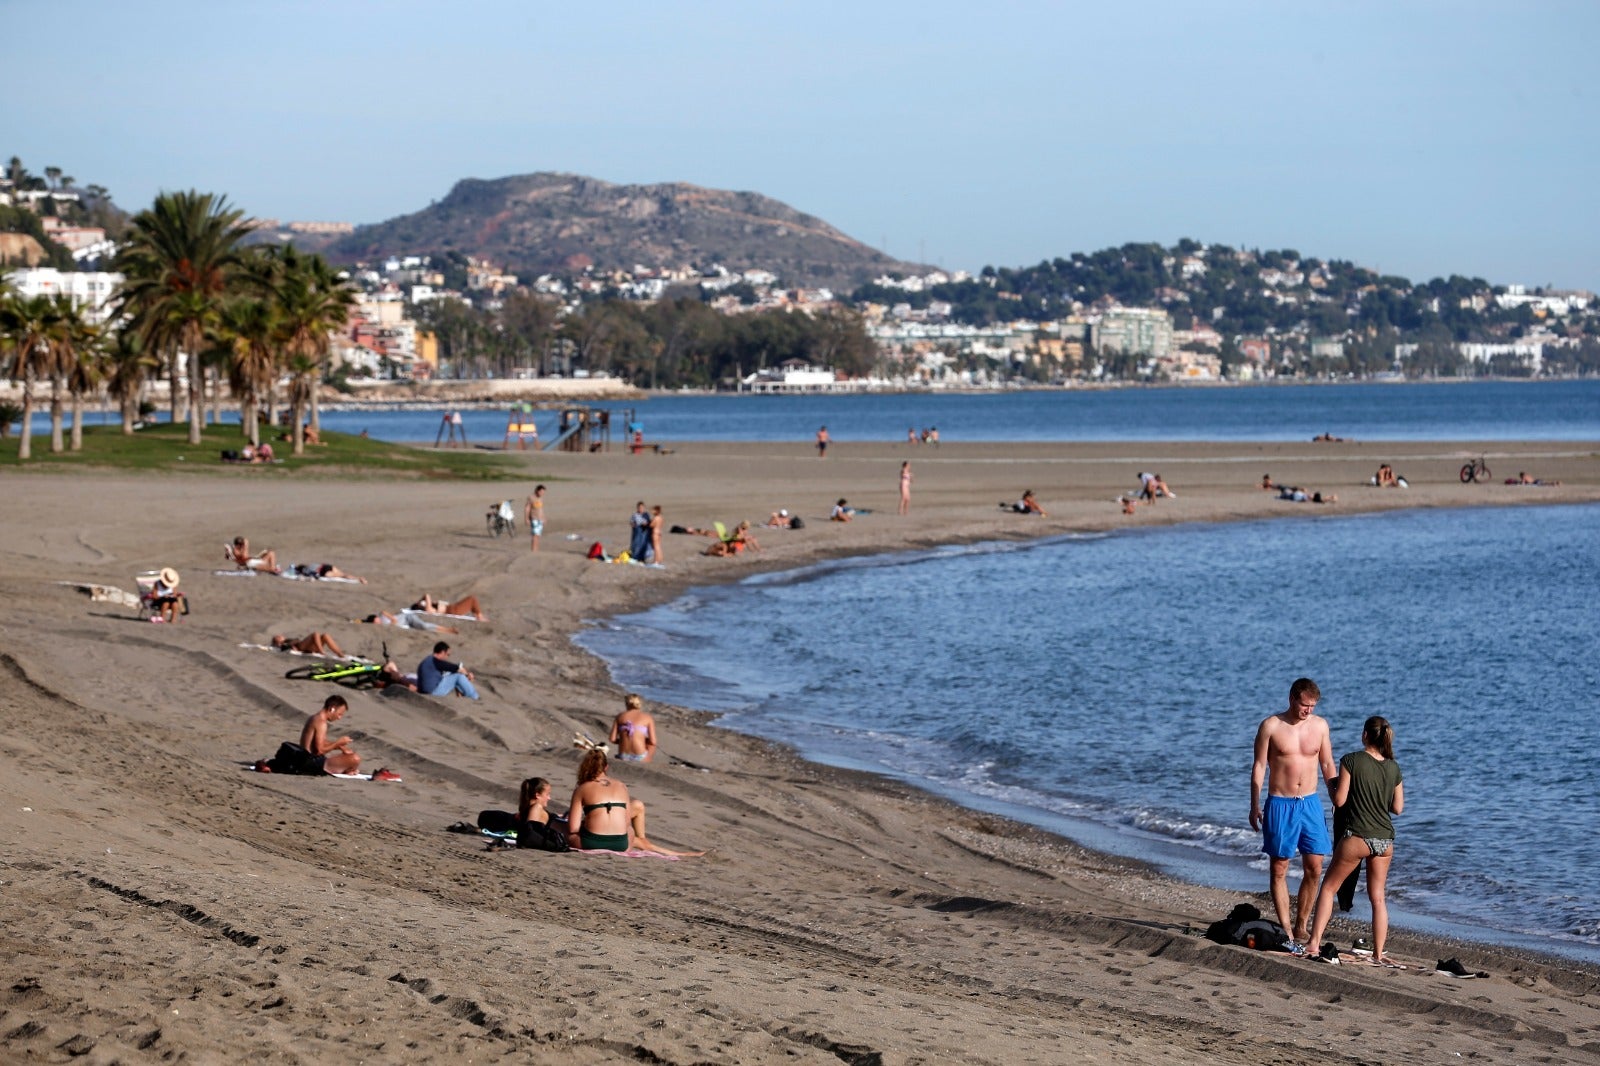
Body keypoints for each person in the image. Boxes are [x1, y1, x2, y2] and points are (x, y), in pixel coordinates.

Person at [1306, 717, 1405, 966]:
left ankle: (1314, 943)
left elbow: (1339, 801)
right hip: (1385, 839)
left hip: (1358, 836)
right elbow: (1398, 808)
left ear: (1365, 735)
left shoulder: (1351, 760)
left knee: (1328, 888)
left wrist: (1330, 784)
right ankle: (1378, 954)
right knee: (1378, 898)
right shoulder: (1393, 767)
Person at [1249, 677, 1338, 950]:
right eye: (1304, 705)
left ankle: (1301, 924)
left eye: (1312, 706)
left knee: (1315, 866)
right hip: (1280, 803)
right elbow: (1259, 766)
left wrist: (1336, 797)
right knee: (1279, 867)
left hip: (1310, 803)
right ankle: (1286, 930)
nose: (1308, 710)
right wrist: (1254, 804)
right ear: (1292, 699)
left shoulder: (1320, 726)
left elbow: (1327, 764)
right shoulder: (1271, 726)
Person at [568, 748, 634, 851]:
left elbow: (573, 828)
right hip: (620, 844)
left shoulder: (581, 789)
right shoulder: (622, 786)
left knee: (569, 835)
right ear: (606, 767)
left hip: (591, 843)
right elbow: (627, 822)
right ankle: (626, 850)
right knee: (630, 831)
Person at [300, 695, 361, 775]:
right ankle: (346, 770)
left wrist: (340, 747)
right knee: (355, 758)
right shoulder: (321, 722)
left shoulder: (315, 717)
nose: (339, 718)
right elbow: (319, 751)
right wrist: (338, 743)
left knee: (347, 757)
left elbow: (319, 743)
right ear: (332, 709)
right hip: (310, 763)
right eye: (339, 714)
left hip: (306, 760)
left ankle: (346, 770)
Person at [609, 693, 657, 763]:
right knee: (651, 745)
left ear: (627, 704)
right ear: (639, 704)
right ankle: (646, 761)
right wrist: (643, 740)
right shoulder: (647, 717)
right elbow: (653, 742)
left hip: (623, 755)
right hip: (640, 756)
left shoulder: (620, 716)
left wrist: (622, 740)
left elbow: (612, 739)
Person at [410, 593, 487, 621]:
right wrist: (419, 602)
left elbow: (426, 597)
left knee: (471, 601)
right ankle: (479, 616)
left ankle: (478, 615)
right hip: (454, 610)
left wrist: (419, 602)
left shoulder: (429, 607)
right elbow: (427, 595)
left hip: (453, 608)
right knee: (472, 599)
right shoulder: (428, 609)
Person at [270, 632, 347, 657]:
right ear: (277, 642)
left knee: (325, 635)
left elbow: (296, 640)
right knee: (315, 634)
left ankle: (339, 654)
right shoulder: (284, 643)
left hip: (306, 646)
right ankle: (321, 651)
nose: (280, 636)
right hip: (301, 647)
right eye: (278, 637)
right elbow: (293, 643)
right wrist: (291, 646)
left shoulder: (287, 641)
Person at [524, 484, 547, 553]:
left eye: (543, 492)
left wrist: (544, 518)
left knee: (538, 535)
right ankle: (533, 550)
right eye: (541, 492)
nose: (542, 493)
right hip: (534, 518)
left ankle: (536, 550)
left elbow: (541, 509)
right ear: (537, 490)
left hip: (540, 519)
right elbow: (527, 508)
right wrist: (526, 518)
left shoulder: (540, 498)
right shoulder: (531, 498)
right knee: (535, 535)